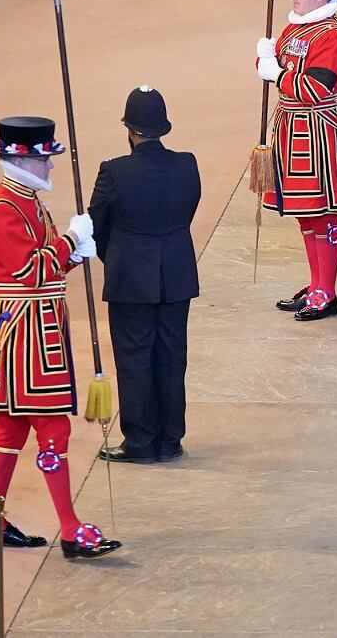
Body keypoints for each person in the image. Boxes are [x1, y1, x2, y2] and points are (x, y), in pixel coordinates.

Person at [0, 115, 122, 559]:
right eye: (46, 160)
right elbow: (30, 271)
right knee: (52, 426)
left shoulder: (28, 201)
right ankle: (71, 529)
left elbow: (47, 265)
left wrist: (74, 254)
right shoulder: (3, 211)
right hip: (27, 332)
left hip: (36, 324)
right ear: (24, 161)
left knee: (11, 424)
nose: (51, 167)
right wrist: (68, 244)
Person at [88, 87, 200, 465]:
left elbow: (97, 226)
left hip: (130, 279)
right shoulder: (187, 164)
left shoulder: (114, 171)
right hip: (177, 275)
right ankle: (170, 440)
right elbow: (186, 213)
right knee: (172, 358)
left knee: (134, 359)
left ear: (129, 129)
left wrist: (118, 258)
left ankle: (139, 442)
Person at [254, 0, 337, 327]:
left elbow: (313, 88)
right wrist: (266, 58)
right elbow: (281, 67)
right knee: (304, 213)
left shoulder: (331, 36)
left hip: (319, 134)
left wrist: (275, 72)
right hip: (292, 129)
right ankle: (316, 282)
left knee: (322, 212)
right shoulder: (297, 27)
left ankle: (327, 291)